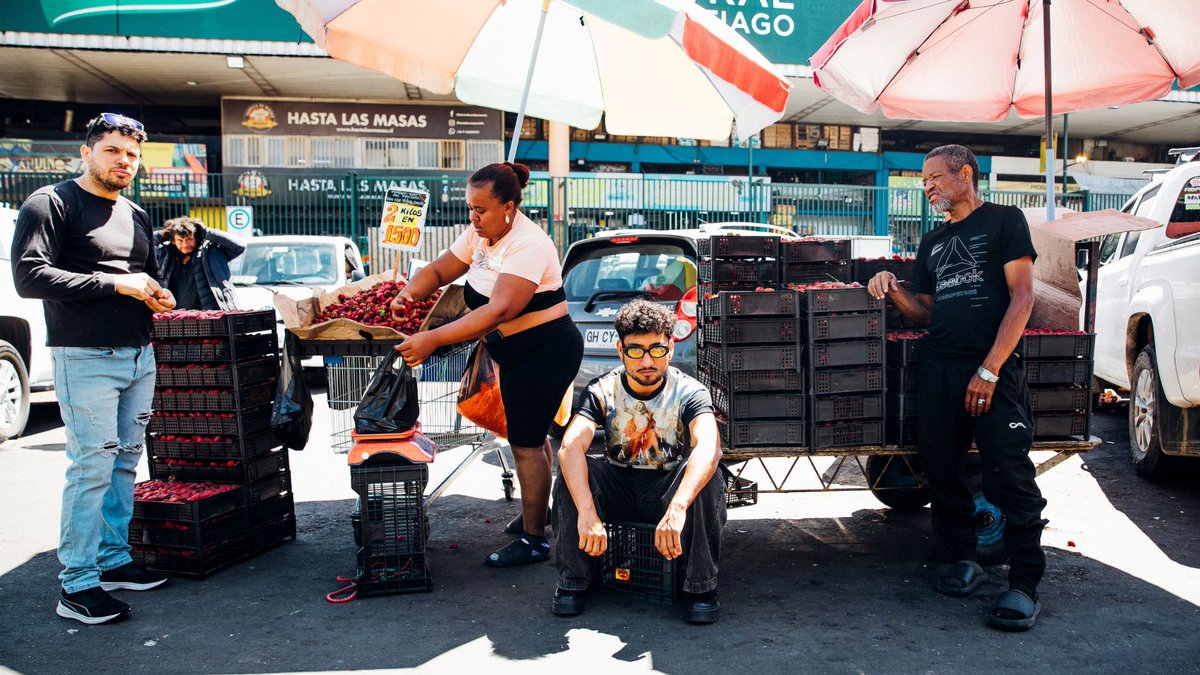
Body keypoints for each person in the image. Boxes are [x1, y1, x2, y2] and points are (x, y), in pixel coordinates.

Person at [867, 144, 1045, 631]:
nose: (927, 188)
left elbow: (1023, 297)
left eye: (934, 179)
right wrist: (893, 287)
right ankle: (963, 558)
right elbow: (925, 311)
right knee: (943, 471)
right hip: (939, 368)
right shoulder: (933, 243)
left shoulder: (1006, 222)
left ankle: (1025, 583)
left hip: (993, 368)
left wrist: (988, 370)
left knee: (1008, 474)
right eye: (923, 182)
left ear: (965, 174)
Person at [11, 112, 176, 625]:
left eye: (132, 155)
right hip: (83, 356)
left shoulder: (136, 213)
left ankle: (113, 561)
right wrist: (115, 285)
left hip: (137, 353)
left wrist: (156, 294)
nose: (124, 161)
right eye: (113, 151)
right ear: (86, 152)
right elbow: (28, 276)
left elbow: (145, 275)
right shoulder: (50, 203)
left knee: (125, 461)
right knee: (91, 467)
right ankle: (76, 584)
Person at [392, 161, 583, 567]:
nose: (473, 217)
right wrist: (410, 292)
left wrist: (433, 339)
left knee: (526, 445)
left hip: (545, 352)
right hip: (516, 353)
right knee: (532, 438)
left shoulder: (528, 244)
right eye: (470, 209)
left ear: (509, 207)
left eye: (482, 209)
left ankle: (535, 541)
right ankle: (540, 515)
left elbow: (499, 310)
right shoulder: (481, 235)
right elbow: (442, 269)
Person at [552, 299, 724, 624]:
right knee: (573, 467)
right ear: (620, 350)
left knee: (707, 475)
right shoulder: (602, 389)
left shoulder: (690, 391)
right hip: (618, 488)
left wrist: (678, 508)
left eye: (656, 350)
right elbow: (570, 447)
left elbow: (709, 447)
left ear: (670, 349)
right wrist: (587, 513)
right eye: (635, 351)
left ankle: (700, 588)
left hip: (666, 489)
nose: (647, 361)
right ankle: (573, 583)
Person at [156, 216, 245, 310]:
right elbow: (143, 246)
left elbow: (239, 245)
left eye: (189, 239)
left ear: (196, 238)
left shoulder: (212, 252)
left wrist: (206, 231)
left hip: (210, 315)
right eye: (180, 241)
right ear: (173, 241)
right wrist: (160, 236)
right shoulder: (166, 254)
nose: (185, 244)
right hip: (176, 317)